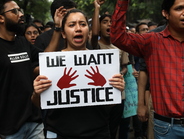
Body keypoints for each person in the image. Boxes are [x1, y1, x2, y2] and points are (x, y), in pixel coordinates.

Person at [32, 9, 125, 139]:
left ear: (88, 31)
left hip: (97, 132)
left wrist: (114, 89)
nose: (78, 28)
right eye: (72, 25)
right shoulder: (51, 64)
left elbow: (110, 104)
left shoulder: (102, 62)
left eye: (82, 24)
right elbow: (38, 103)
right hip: (59, 133)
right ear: (63, 33)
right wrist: (37, 92)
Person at [111, 0, 184, 138]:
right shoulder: (152, 41)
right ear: (165, 13)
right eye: (179, 8)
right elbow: (118, 37)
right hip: (167, 128)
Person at [0, 0, 57, 139]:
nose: (21, 14)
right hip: (7, 130)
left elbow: (47, 60)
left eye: (20, 10)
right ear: (0, 18)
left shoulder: (23, 43)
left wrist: (59, 28)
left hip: (34, 124)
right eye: (15, 11)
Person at [91, 0, 129, 139]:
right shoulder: (95, 45)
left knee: (113, 129)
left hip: (117, 93)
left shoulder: (121, 45)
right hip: (99, 94)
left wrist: (119, 73)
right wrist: (97, 8)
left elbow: (125, 67)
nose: (109, 24)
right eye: (105, 22)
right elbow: (94, 34)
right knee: (101, 128)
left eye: (111, 22)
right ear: (99, 25)